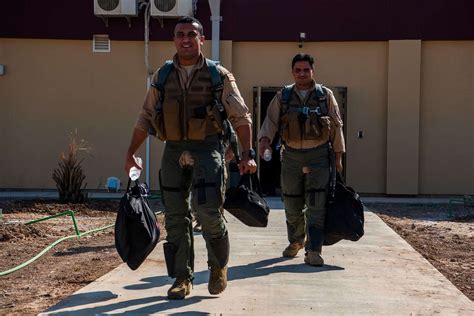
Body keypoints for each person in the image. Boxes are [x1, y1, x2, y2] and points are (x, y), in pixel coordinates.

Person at [124, 16, 257, 299]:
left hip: (207, 148)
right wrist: (130, 153)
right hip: (173, 149)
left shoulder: (217, 75)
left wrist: (247, 153)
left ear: (201, 39)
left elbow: (241, 116)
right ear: (174, 40)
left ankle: (218, 267)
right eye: (180, 34)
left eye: (191, 35)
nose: (186, 39)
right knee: (175, 217)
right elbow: (146, 115)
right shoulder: (162, 76)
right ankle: (182, 278)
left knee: (207, 211)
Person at [257, 53, 345, 266]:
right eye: (298, 70)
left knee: (316, 203)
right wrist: (264, 141)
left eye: (306, 70)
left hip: (319, 156)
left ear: (312, 71)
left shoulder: (325, 96)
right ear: (293, 72)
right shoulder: (283, 96)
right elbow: (270, 120)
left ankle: (314, 250)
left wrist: (338, 157)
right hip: (291, 156)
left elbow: (336, 126)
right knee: (292, 202)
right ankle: (296, 240)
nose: (302, 74)